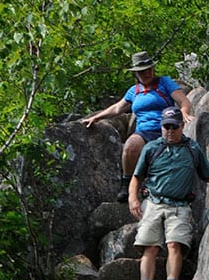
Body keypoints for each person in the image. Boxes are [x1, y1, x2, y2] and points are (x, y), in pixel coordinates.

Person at [128, 105, 209, 280]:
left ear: (181, 127)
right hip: (153, 202)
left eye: (174, 127)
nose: (170, 130)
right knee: (150, 247)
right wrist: (133, 199)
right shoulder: (152, 148)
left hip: (179, 205)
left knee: (174, 244)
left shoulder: (192, 149)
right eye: (166, 126)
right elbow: (137, 177)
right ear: (161, 127)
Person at [81, 51, 193, 200]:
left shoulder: (164, 83)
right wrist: (96, 117)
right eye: (142, 71)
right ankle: (127, 184)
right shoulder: (134, 91)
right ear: (136, 74)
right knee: (130, 146)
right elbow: (117, 108)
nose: (146, 73)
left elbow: (184, 102)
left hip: (166, 128)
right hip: (143, 131)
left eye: (149, 69)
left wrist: (183, 114)